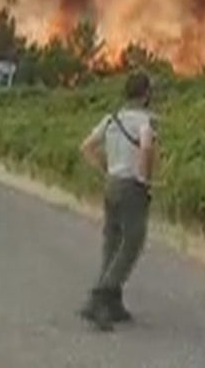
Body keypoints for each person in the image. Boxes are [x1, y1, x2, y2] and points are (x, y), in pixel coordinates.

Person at [77, 71, 159, 331]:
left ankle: (114, 303)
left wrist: (105, 167)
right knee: (133, 241)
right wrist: (144, 180)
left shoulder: (112, 119)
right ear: (146, 94)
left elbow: (86, 147)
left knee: (111, 242)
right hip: (132, 187)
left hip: (111, 185)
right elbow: (146, 148)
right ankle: (101, 296)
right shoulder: (147, 121)